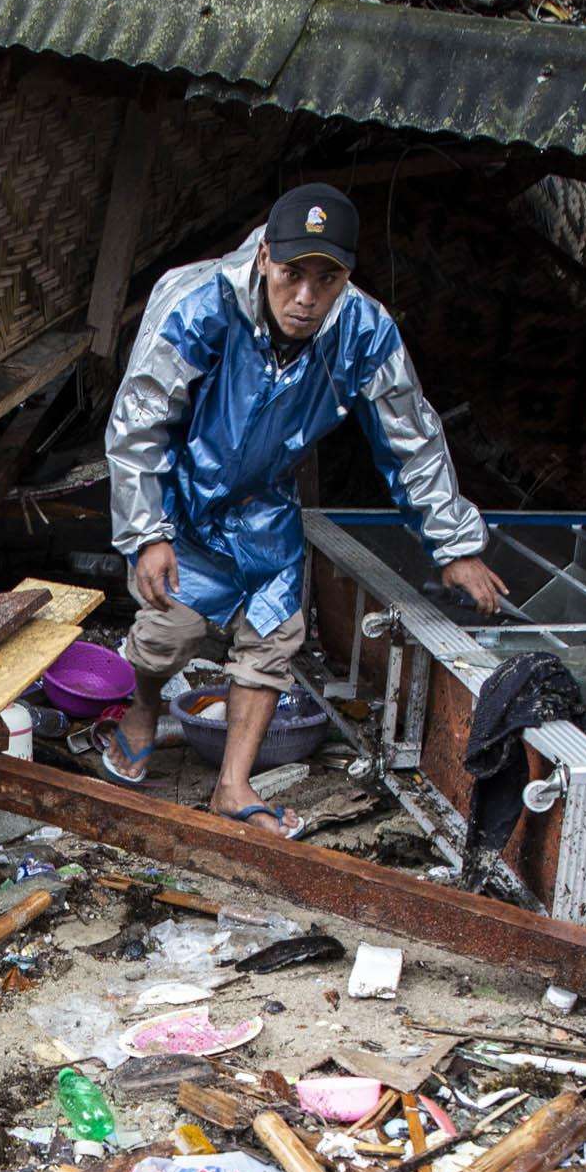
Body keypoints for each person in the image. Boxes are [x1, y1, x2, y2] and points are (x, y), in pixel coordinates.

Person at [102, 181, 505, 837]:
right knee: (164, 635)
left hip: (265, 506)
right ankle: (143, 709)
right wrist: (148, 531)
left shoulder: (365, 332)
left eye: (328, 278)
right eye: (292, 275)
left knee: (273, 639)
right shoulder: (199, 303)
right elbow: (138, 422)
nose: (307, 297)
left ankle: (233, 786)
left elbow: (410, 438)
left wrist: (454, 546)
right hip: (184, 497)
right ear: (264, 259)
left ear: (347, 276)